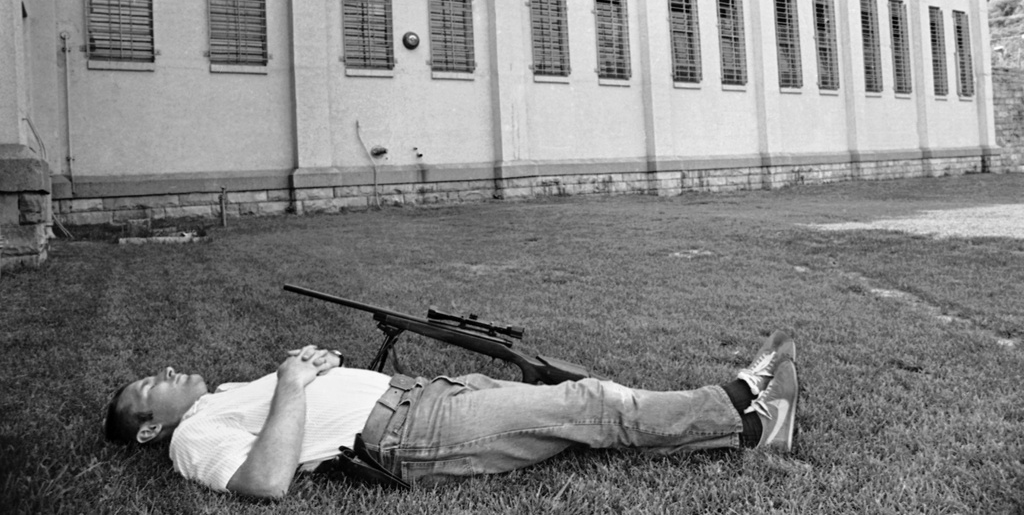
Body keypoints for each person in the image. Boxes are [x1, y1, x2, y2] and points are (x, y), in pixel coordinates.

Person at [103, 331, 799, 500]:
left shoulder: (219, 396)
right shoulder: (190, 438)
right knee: (582, 405)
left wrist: (315, 368)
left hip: (421, 396)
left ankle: (748, 426)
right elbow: (266, 481)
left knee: (577, 422)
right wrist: (291, 382)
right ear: (148, 427)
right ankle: (742, 403)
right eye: (147, 385)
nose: (162, 372)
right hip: (406, 434)